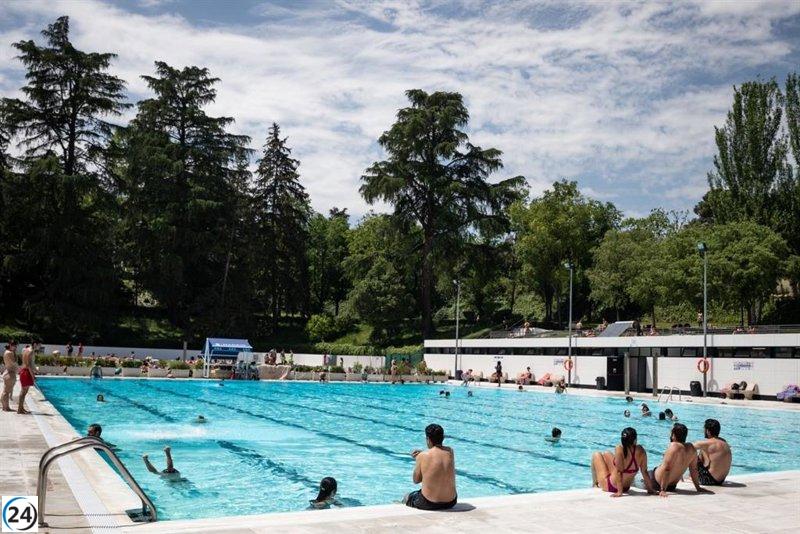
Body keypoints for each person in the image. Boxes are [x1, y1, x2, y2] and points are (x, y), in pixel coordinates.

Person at [402, 424, 457, 510]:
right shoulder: (450, 451)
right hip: (451, 502)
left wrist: (418, 459)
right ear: (443, 438)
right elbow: (438, 457)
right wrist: (423, 454)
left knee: (407, 496)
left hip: (429, 503)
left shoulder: (422, 456)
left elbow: (416, 480)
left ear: (428, 439)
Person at [649, 423, 712, 497]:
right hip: (672, 486)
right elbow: (694, 469)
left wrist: (663, 490)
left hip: (656, 482)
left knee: (639, 478)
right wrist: (698, 487)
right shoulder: (692, 448)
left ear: (674, 435)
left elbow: (667, 469)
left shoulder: (674, 446)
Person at [591, 427, 655, 497]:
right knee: (607, 453)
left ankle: (595, 484)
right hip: (626, 488)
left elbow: (619, 472)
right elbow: (644, 472)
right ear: (635, 439)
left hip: (612, 486)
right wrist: (650, 489)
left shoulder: (620, 448)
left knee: (596, 455)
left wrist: (619, 492)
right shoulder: (641, 450)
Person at [693, 419, 731, 486]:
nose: (703, 431)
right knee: (704, 449)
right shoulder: (724, 442)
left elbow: (687, 448)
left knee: (695, 451)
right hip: (721, 480)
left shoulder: (707, 443)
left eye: (704, 429)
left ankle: (693, 477)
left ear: (708, 431)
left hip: (709, 480)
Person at [17, 345, 35, 414]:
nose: (39, 346)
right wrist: (32, 375)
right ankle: (19, 409)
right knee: (23, 392)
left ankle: (21, 408)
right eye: (39, 345)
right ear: (35, 344)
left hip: (24, 371)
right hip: (26, 372)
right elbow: (28, 365)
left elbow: (24, 363)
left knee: (24, 392)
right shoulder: (30, 351)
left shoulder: (25, 350)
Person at [2, 341, 18, 412]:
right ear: (11, 345)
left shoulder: (6, 352)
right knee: (6, 392)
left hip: (8, 372)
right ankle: (6, 407)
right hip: (10, 373)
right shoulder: (10, 353)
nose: (16, 348)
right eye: (15, 346)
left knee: (5, 391)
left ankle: (4, 406)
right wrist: (14, 352)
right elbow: (14, 362)